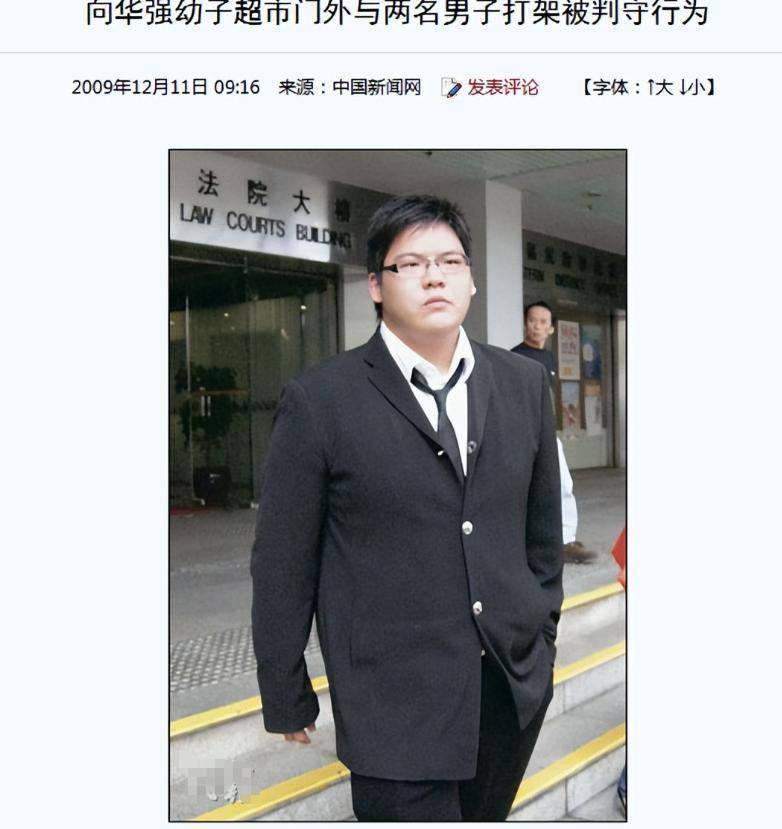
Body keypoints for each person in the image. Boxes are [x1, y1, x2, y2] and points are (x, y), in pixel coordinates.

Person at [250, 195, 563, 821]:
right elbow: (284, 558)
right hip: (391, 703)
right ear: (375, 285)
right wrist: (284, 689)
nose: (434, 277)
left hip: (507, 689)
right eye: (411, 264)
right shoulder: (321, 400)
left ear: (472, 280)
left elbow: (542, 534)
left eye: (450, 261)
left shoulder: (523, 384)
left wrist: (542, 636)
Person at [511, 301, 595, 564]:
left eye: (543, 322)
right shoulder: (514, 357)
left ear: (551, 328)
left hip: (546, 433)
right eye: (532, 320)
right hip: (521, 433)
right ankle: (523, 542)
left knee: (562, 484)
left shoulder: (548, 358)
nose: (537, 326)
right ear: (525, 323)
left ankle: (566, 541)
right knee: (522, 488)